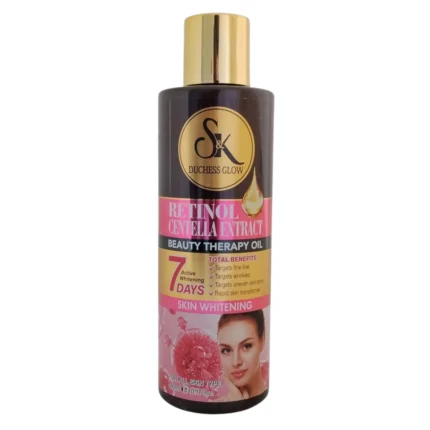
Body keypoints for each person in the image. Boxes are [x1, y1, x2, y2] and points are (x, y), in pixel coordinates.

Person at [216, 310, 266, 401]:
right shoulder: (215, 402)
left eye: (246, 346)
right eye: (226, 350)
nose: (236, 362)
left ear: (262, 340)